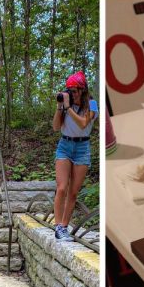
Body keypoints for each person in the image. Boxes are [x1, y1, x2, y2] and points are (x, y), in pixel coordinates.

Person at [51, 70, 98, 242]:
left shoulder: (92, 104)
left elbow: (83, 122)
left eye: (75, 90)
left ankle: (64, 225)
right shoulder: (65, 106)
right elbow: (56, 127)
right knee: (62, 187)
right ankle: (58, 227)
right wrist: (60, 107)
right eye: (69, 90)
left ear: (82, 90)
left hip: (82, 147)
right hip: (65, 145)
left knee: (73, 192)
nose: (71, 93)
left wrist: (69, 107)